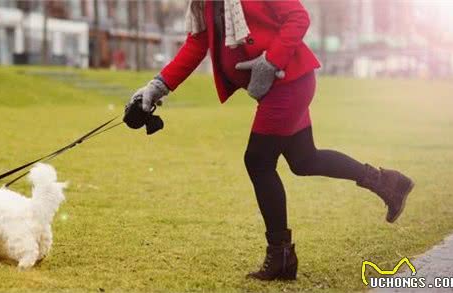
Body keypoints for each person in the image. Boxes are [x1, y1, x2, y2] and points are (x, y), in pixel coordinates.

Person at [126, 0, 414, 281]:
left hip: (288, 81)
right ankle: (388, 183)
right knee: (304, 160)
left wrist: (270, 60)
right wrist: (159, 86)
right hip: (278, 87)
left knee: (258, 161)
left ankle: (281, 256)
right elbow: (198, 43)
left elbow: (298, 17)